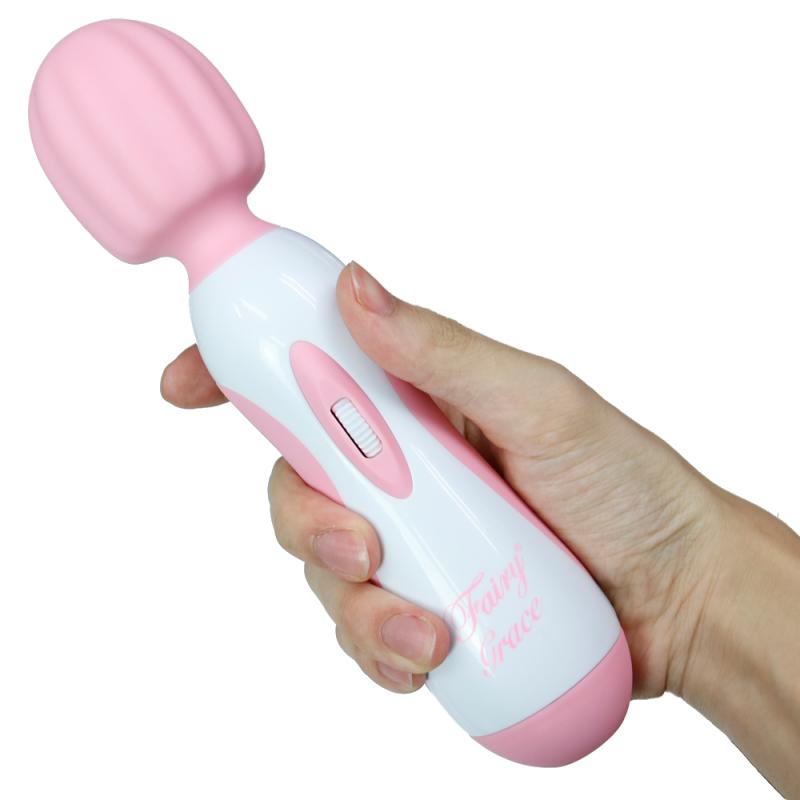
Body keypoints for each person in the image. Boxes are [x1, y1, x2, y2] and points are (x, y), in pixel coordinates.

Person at [161, 262, 800, 797]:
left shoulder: (246, 304)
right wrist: (694, 594)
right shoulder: (245, 302)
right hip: (562, 649)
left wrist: (694, 588)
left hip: (556, 657)